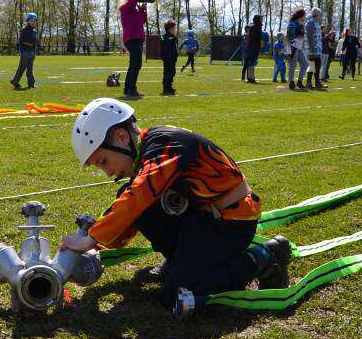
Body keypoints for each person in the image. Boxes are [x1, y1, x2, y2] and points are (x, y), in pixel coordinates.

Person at [61, 98, 291, 318]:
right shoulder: (150, 147)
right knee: (129, 195)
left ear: (121, 137)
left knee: (175, 294)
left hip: (231, 223)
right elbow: (134, 203)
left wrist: (90, 239)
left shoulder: (166, 144)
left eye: (103, 162)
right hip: (203, 218)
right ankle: (177, 261)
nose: (108, 172)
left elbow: (140, 193)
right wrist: (98, 243)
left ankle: (263, 258)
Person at [119, 0, 149, 98]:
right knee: (136, 64)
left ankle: (128, 89)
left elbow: (143, 20)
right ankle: (131, 89)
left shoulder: (134, 10)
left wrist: (142, 9)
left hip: (137, 38)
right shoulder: (125, 7)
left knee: (134, 65)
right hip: (132, 38)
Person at [11, 12, 39, 90]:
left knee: (30, 69)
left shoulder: (34, 32)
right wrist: (29, 44)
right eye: (32, 21)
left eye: (35, 21)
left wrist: (34, 51)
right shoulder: (24, 30)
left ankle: (31, 84)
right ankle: (15, 81)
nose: (33, 22)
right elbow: (21, 41)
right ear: (28, 21)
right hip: (25, 53)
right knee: (21, 69)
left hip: (32, 53)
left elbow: (34, 43)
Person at [286, 8, 308, 90]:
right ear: (301, 16)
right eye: (304, 15)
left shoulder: (302, 24)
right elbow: (288, 37)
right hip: (293, 47)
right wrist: (288, 50)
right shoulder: (292, 24)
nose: (305, 17)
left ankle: (299, 82)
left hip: (300, 47)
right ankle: (291, 83)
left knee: (305, 64)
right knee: (292, 66)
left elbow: (302, 37)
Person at [305, 8, 326, 90]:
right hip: (312, 49)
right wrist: (312, 48)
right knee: (312, 66)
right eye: (320, 15)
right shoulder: (310, 23)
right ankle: (309, 83)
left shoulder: (316, 23)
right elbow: (309, 37)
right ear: (317, 15)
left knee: (316, 66)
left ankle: (317, 83)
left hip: (317, 48)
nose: (321, 16)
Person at [160, 20, 178, 94]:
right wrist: (172, 58)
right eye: (174, 28)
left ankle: (167, 87)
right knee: (171, 72)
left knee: (166, 72)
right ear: (170, 29)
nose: (175, 30)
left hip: (166, 58)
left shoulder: (165, 37)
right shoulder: (169, 38)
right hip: (169, 58)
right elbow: (168, 49)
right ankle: (167, 88)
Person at [243, 15, 263, 83]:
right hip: (252, 48)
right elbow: (255, 38)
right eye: (261, 18)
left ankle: (251, 78)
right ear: (257, 19)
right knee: (251, 63)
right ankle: (251, 78)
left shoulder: (257, 27)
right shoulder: (255, 27)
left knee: (252, 63)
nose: (262, 19)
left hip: (254, 48)